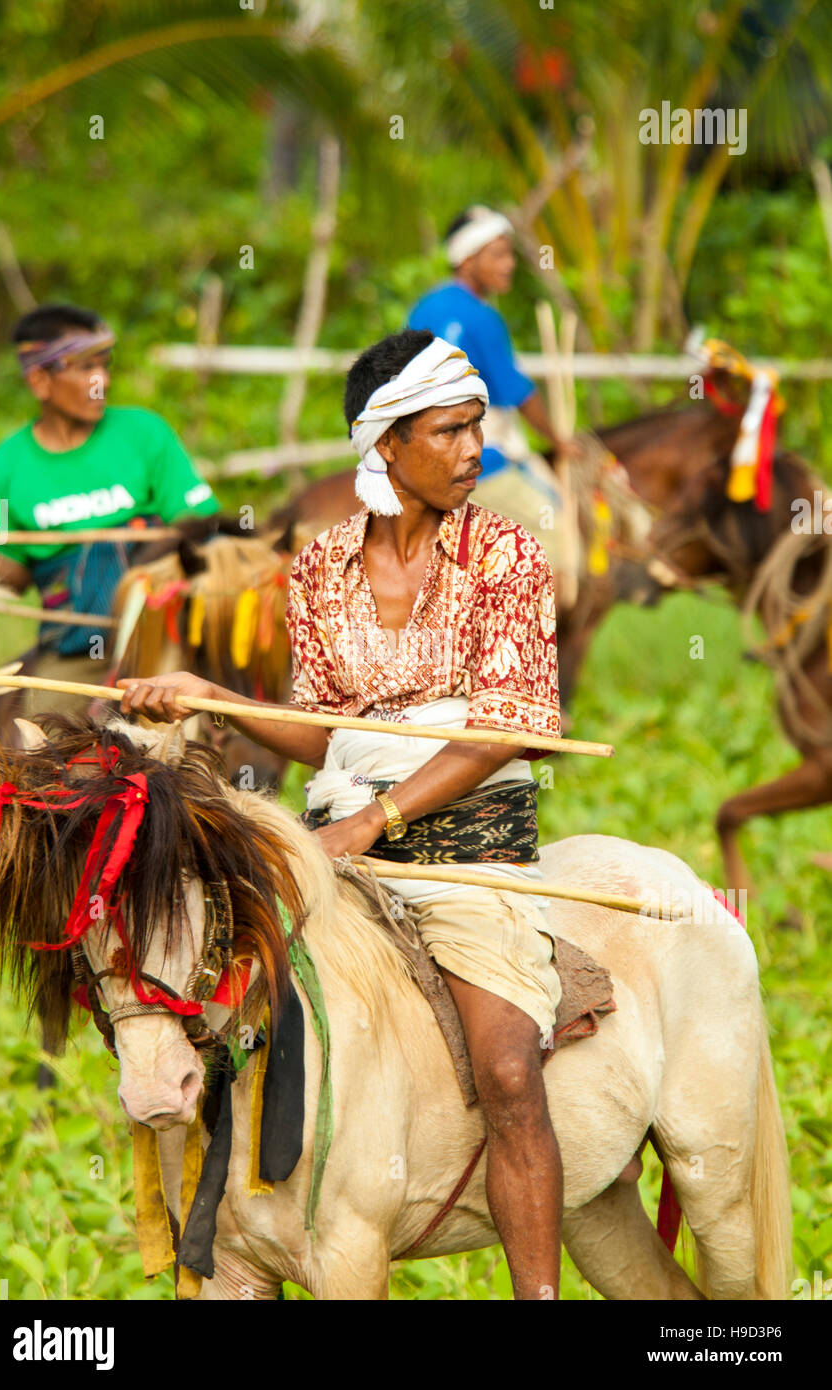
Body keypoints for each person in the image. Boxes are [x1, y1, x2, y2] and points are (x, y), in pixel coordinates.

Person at [117, 329, 567, 1300]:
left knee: (507, 1067)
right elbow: (326, 735)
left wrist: (379, 817)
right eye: (448, 431)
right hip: (335, 843)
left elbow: (502, 733)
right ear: (385, 444)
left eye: (475, 427)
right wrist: (209, 696)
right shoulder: (320, 567)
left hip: (463, 849)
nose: (471, 450)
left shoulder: (505, 553)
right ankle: (244, 1229)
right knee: (208, 1004)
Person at [0, 303, 220, 743]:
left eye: (104, 367)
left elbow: (199, 524)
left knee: (190, 749)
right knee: (38, 745)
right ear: (39, 380)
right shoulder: (2, 466)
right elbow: (3, 565)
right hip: (73, 642)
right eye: (85, 368)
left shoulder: (146, 433)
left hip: (157, 632)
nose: (102, 381)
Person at [408, 205, 579, 572]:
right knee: (559, 537)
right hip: (472, 462)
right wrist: (560, 442)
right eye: (498, 254)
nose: (510, 264)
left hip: (415, 455)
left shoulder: (423, 307)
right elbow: (519, 393)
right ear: (467, 260)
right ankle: (536, 630)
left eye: (510, 254)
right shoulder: (482, 316)